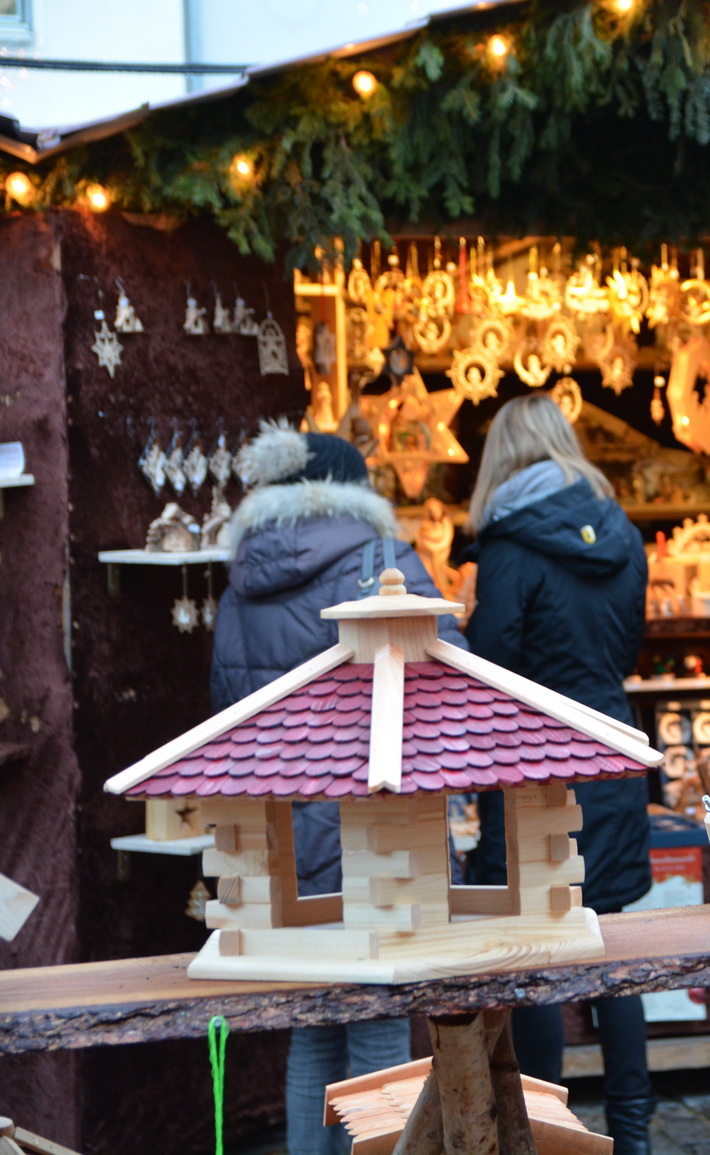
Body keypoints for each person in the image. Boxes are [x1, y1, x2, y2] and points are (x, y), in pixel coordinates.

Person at [213, 423, 466, 1155]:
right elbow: (449, 674)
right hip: (373, 818)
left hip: (278, 829)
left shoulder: (241, 578)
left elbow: (226, 703)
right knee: (381, 1021)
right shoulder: (381, 559)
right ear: (356, 491)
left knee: (313, 1026)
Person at [462, 395, 655, 1155]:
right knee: (610, 946)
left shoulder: (507, 548)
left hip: (531, 761)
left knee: (535, 942)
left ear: (502, 460)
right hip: (610, 742)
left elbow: (490, 665)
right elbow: (628, 646)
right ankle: (634, 1135)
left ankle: (539, 1127)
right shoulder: (622, 534)